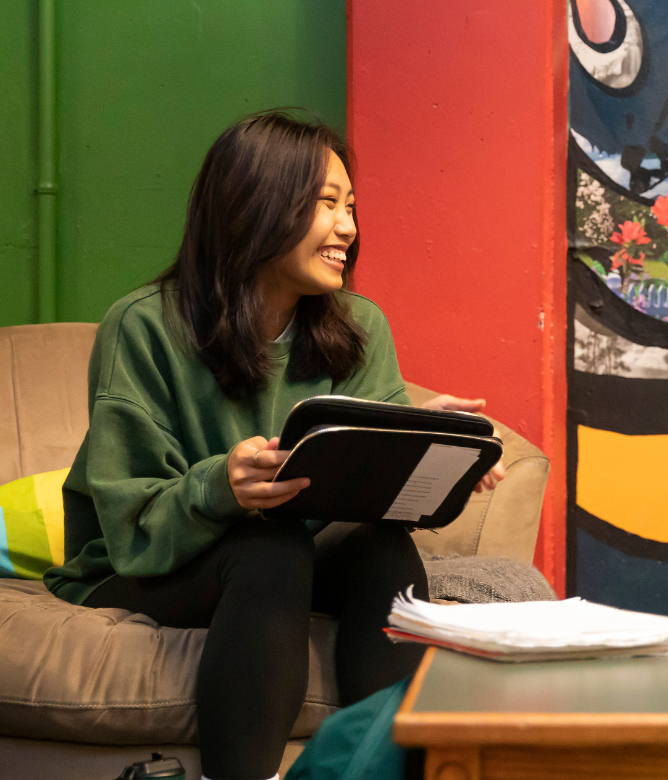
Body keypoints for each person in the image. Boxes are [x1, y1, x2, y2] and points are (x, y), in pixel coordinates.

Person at [43, 111, 505, 780]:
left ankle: (388, 766)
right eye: (327, 205)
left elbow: (371, 498)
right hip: (149, 563)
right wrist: (219, 486)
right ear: (257, 205)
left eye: (350, 206)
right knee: (271, 547)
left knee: (381, 549)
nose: (349, 227)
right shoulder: (142, 327)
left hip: (295, 553)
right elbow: (130, 526)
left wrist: (431, 449)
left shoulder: (358, 327)